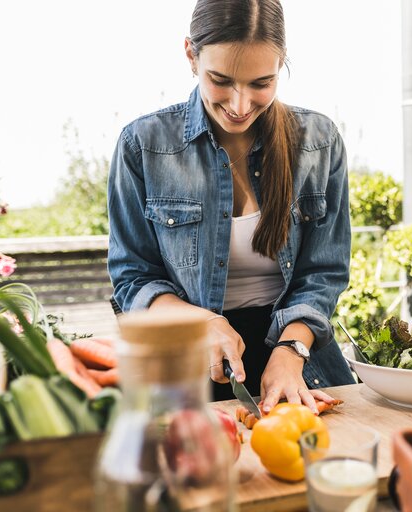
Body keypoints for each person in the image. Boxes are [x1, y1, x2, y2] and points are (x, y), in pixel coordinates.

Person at [108, 0, 354, 414]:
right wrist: (204, 322)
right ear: (191, 56)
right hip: (184, 370)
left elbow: (324, 271)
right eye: (220, 80)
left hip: (300, 364)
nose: (240, 105)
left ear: (282, 65)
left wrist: (291, 349)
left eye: (261, 83)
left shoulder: (319, 141)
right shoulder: (143, 144)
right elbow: (133, 279)